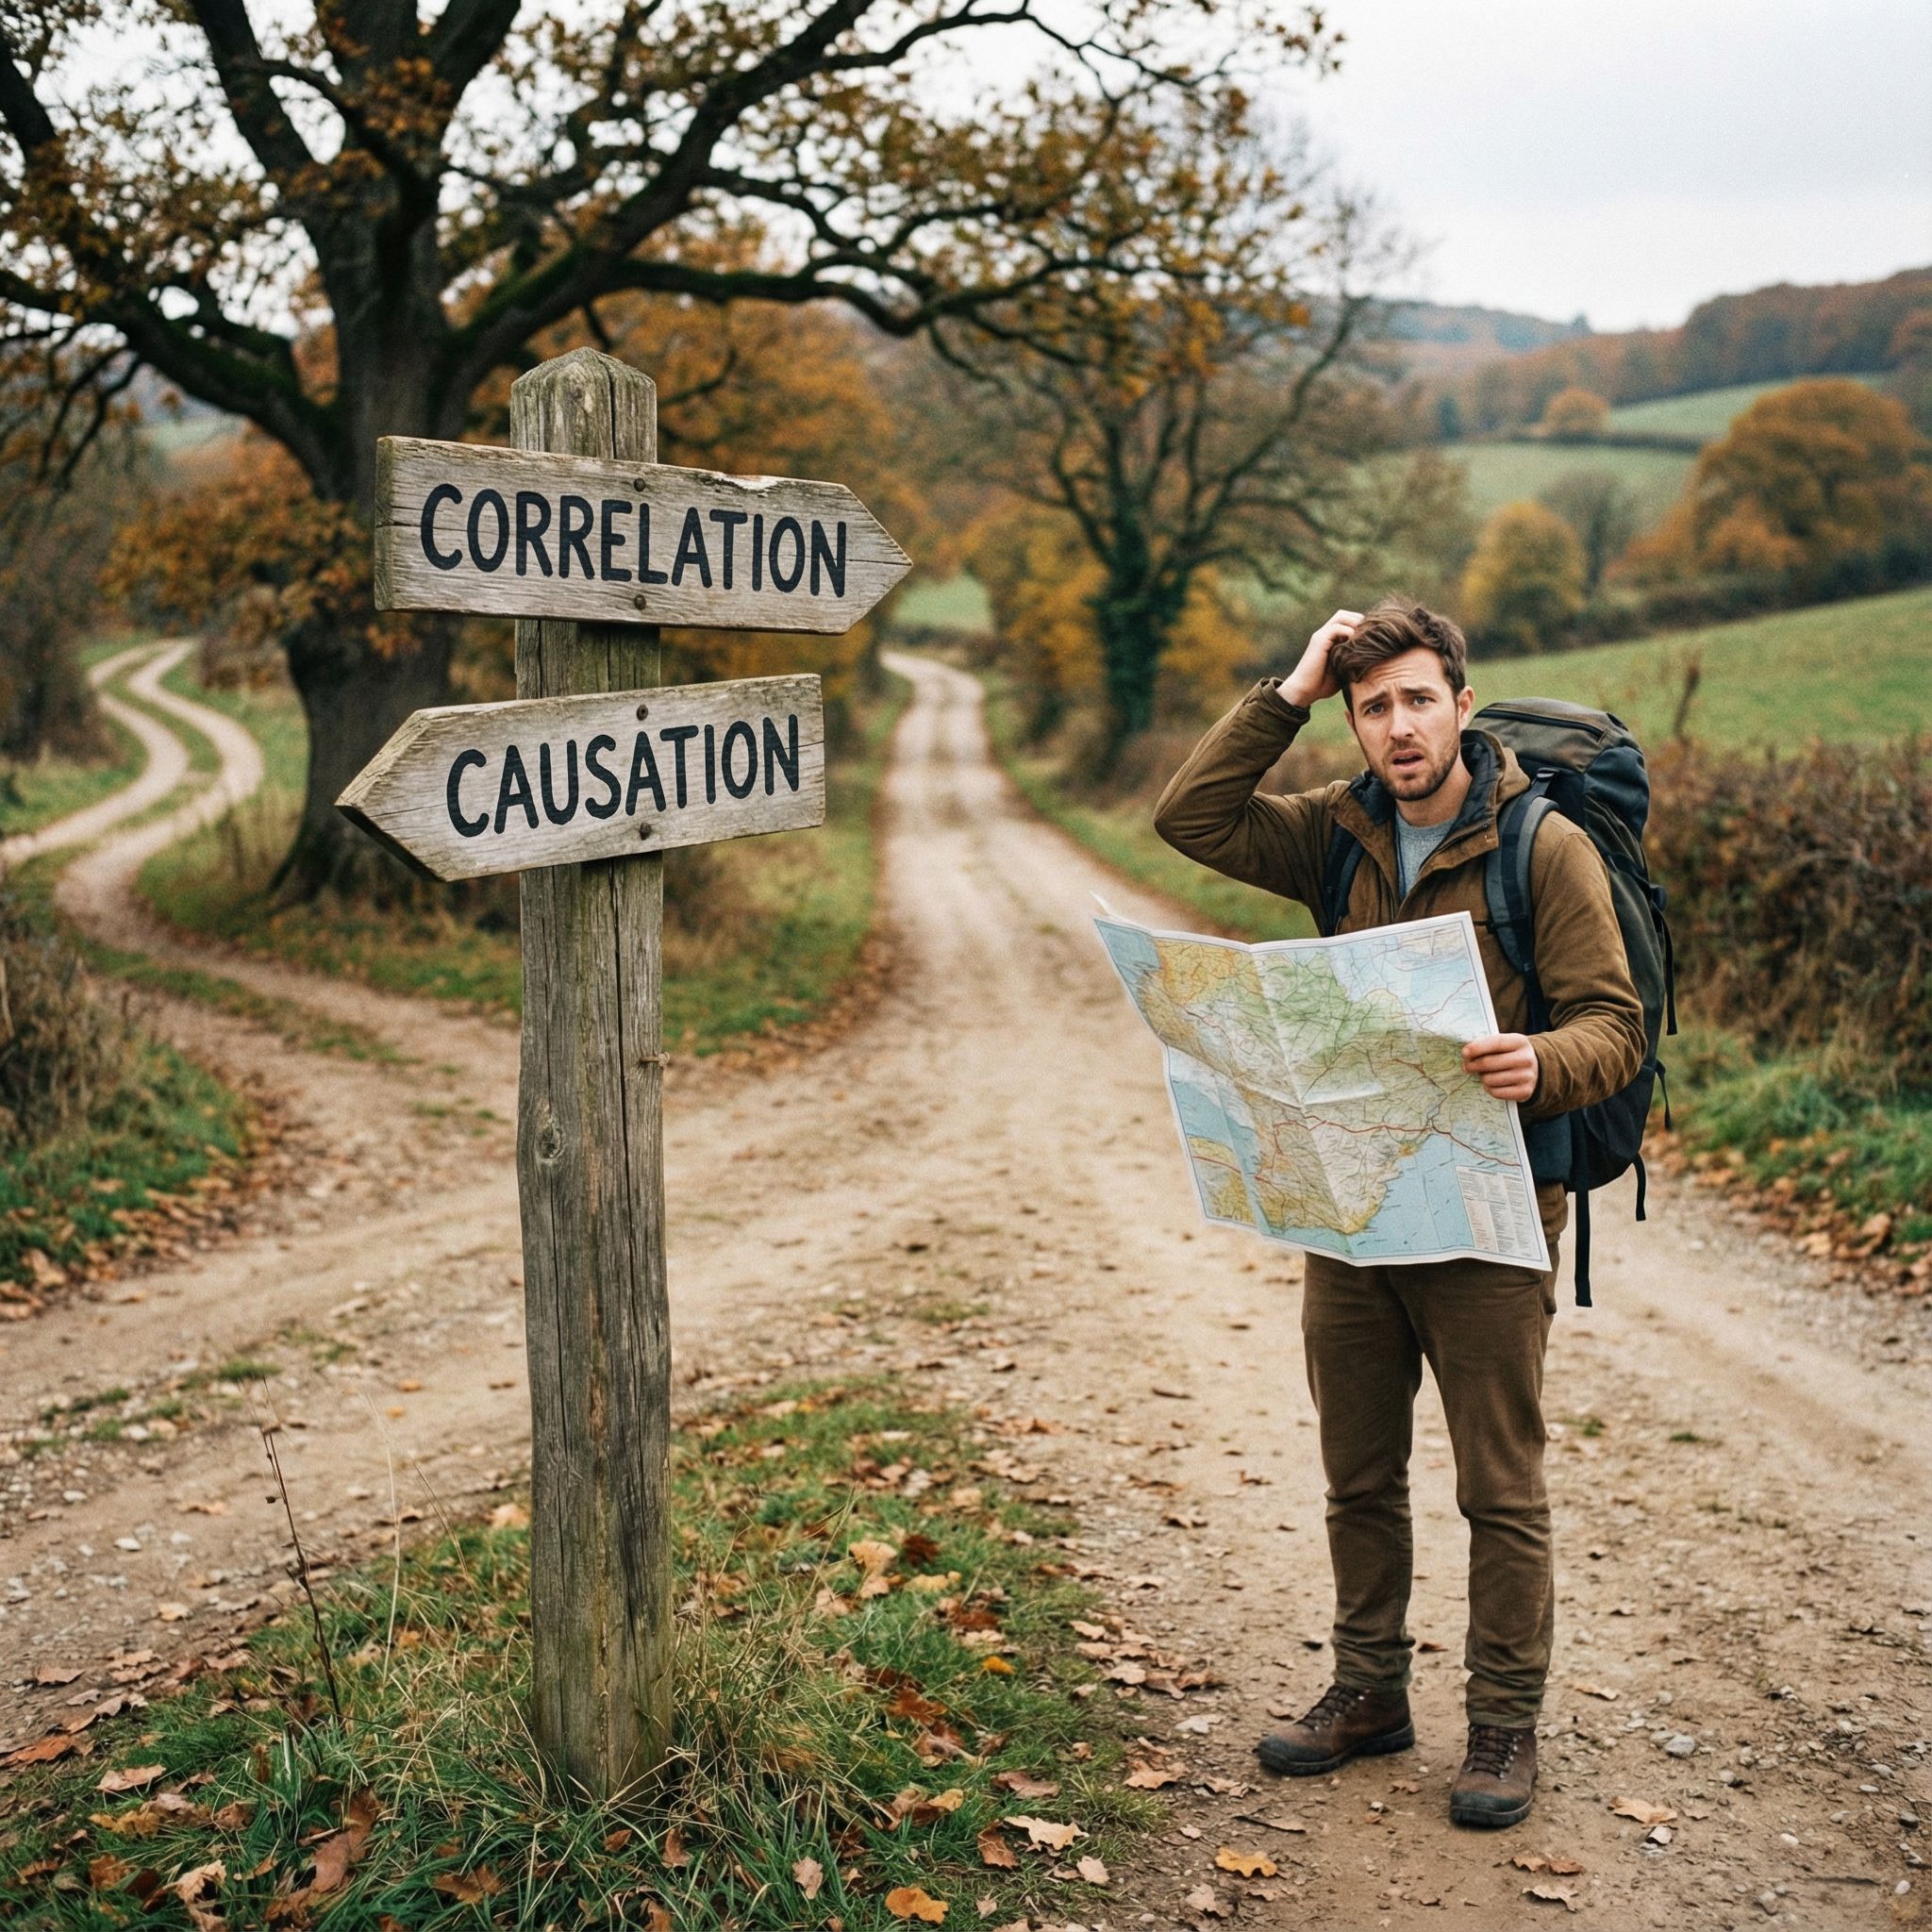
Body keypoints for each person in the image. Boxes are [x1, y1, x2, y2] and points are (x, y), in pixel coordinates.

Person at [1152, 599, 1645, 1830]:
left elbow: (1615, 1025)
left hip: (1488, 1210)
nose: (1398, 724)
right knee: (1357, 1473)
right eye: (1373, 705)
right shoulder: (1337, 831)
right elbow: (1189, 818)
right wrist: (1294, 687)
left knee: (1500, 1486)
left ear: (1462, 706)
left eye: (1418, 697)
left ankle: (1503, 1725)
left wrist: (1543, 1059)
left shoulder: (1543, 847)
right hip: (1355, 1206)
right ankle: (1369, 1691)